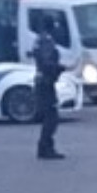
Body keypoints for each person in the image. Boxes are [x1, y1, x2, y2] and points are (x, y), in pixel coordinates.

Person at [32, 28, 65, 160]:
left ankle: (45, 147)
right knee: (51, 117)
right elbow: (47, 63)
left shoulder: (39, 39)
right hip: (46, 83)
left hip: (43, 82)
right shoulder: (46, 41)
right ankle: (45, 147)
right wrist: (60, 68)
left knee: (50, 116)